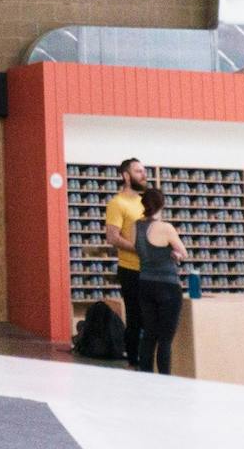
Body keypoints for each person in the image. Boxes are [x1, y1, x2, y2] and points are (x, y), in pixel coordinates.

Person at [134, 186, 188, 375]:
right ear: (162, 204)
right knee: (165, 339)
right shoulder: (166, 228)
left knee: (149, 334)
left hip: (145, 284)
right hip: (167, 286)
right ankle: (165, 380)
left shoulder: (137, 226)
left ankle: (145, 376)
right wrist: (174, 254)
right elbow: (183, 252)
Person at [104, 157, 147, 368]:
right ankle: (134, 361)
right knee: (136, 317)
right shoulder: (117, 203)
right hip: (131, 269)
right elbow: (112, 237)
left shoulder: (146, 201)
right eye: (139, 171)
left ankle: (149, 358)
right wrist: (140, 249)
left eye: (144, 171)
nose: (144, 175)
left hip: (151, 269)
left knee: (152, 318)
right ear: (126, 176)